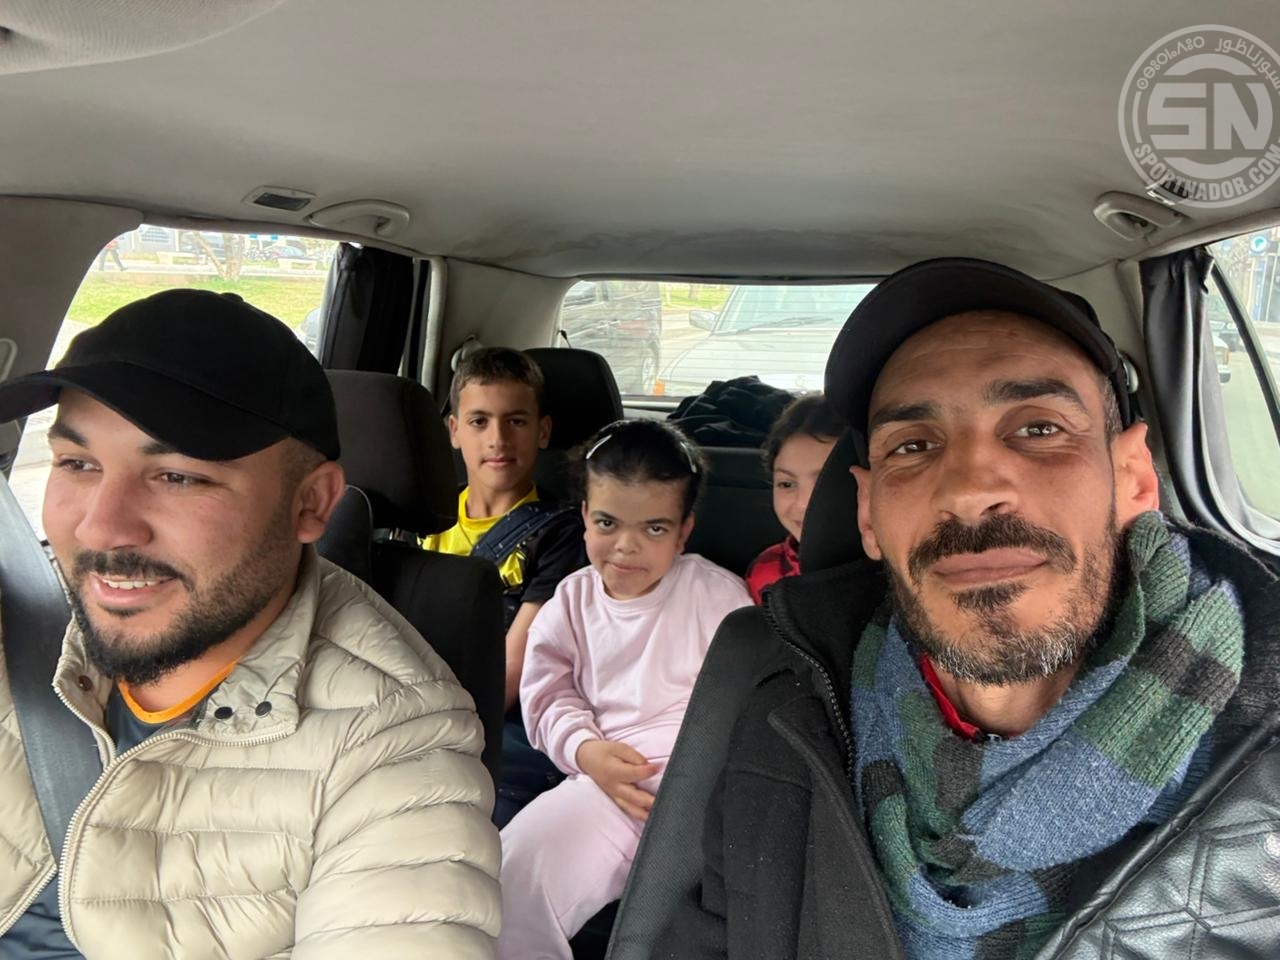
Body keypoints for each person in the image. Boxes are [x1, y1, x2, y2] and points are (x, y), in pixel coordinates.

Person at [658, 258, 1280, 959]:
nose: (970, 491)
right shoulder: (786, 721)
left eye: (1038, 429)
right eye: (913, 446)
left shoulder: (1260, 756)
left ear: (1133, 478)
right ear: (867, 512)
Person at [0, 290, 499, 958]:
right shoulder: (22, 618)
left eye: (177, 477)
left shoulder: (398, 745)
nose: (100, 527)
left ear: (311, 502)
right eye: (78, 464)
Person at [499, 419, 751, 960]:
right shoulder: (571, 600)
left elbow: (748, 705)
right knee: (504, 886)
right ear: (585, 516)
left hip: (704, 795)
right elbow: (547, 692)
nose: (626, 547)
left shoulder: (719, 600)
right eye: (608, 523)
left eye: (654, 529)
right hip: (610, 788)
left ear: (684, 531)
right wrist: (584, 750)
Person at [427, 346, 589, 824]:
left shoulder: (560, 534)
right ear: (454, 431)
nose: (497, 439)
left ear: (543, 431)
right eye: (479, 421)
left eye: (516, 421)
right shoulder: (419, 521)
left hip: (489, 720)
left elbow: (511, 671)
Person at [744, 393, 843, 602]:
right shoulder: (766, 572)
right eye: (786, 484)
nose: (803, 504)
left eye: (825, 483)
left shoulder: (898, 568)